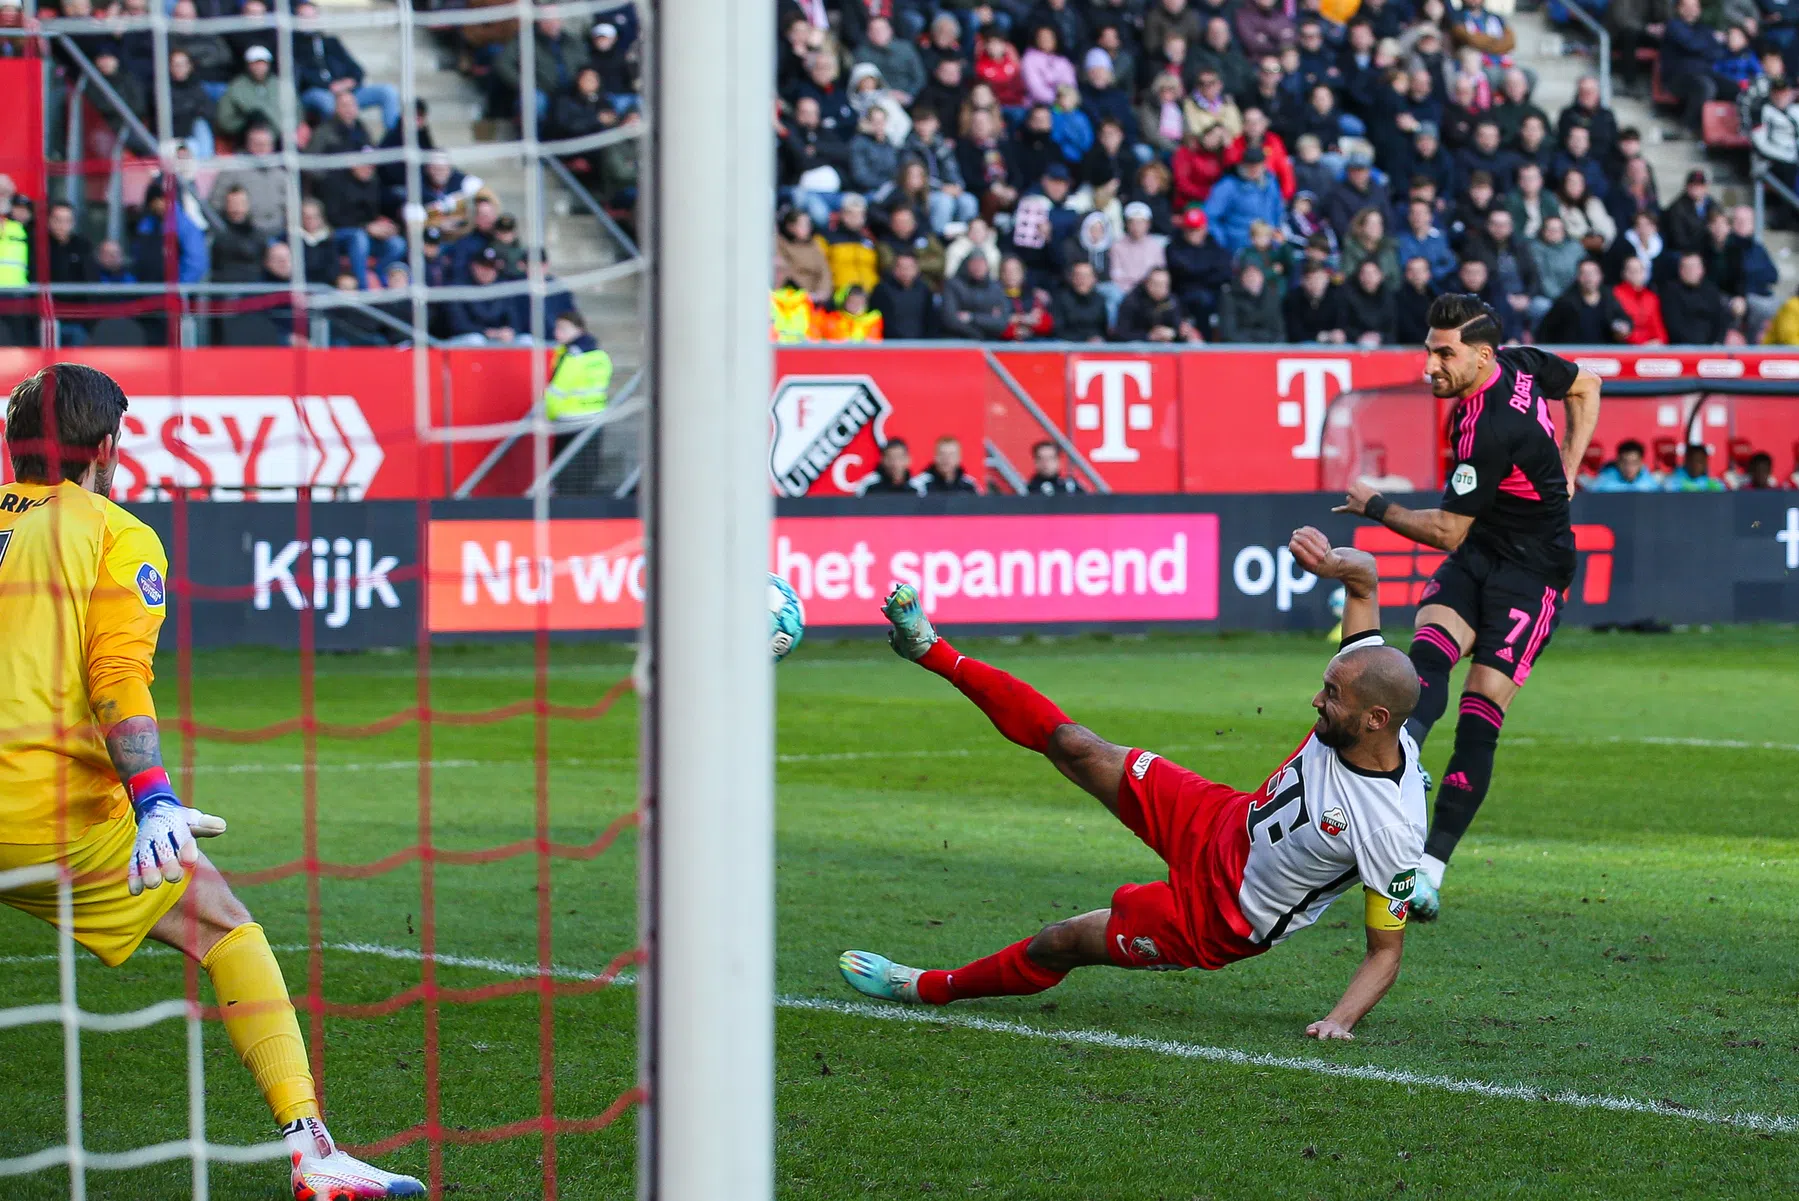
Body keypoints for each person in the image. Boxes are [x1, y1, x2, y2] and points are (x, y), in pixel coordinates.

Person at [0, 365, 424, 1200]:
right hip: (47, 816)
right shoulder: (114, 532)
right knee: (228, 930)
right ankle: (314, 1152)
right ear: (108, 446)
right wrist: (154, 796)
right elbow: (116, 675)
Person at [840, 531, 1425, 1040]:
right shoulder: (1363, 689)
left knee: (1061, 941)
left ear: (1375, 718)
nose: (1316, 701)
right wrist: (1343, 567)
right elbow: (1364, 584)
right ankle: (930, 649)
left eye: (1332, 696)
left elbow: (1385, 951)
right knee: (1076, 746)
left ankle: (926, 987)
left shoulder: (1391, 826)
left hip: (1219, 916)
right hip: (1216, 818)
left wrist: (1340, 1019)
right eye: (1325, 685)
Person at [1333, 294, 1602, 921]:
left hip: (1532, 575)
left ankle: (1428, 870)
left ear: (1482, 356)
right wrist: (1569, 465)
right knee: (1426, 658)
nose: (1431, 364)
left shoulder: (1484, 426)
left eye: (1443, 353)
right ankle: (1401, 777)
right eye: (1429, 350)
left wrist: (1376, 507)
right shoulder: (1525, 363)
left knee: (1481, 714)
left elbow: (1447, 530)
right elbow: (1586, 386)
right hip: (1483, 552)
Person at [544, 311, 612, 493]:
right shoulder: (599, 355)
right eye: (557, 328)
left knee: (566, 479)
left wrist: (548, 416)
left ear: (579, 330)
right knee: (586, 476)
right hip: (594, 420)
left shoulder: (572, 357)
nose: (558, 333)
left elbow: (556, 392)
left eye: (564, 329)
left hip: (569, 422)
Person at [1537, 259, 1633, 344]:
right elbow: (1545, 331)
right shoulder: (1566, 302)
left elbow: (1623, 320)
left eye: (1592, 273)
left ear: (1601, 276)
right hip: (1574, 355)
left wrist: (1623, 328)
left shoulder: (1609, 297)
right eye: (1584, 273)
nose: (1589, 277)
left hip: (1605, 354)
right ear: (1578, 277)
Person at [1659, 251, 1732, 343]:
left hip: (1711, 347)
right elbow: (1674, 325)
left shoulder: (1711, 291)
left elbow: (1720, 320)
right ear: (1680, 270)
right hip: (1682, 347)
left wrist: (1716, 343)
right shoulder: (1671, 292)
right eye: (1687, 268)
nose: (1690, 271)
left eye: (1693, 267)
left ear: (1701, 270)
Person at [1113, 267, 1201, 341]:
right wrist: (1149, 336)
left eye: (1165, 285)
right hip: (1138, 348)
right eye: (1157, 284)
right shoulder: (1132, 301)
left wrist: (1179, 332)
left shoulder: (1172, 301)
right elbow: (1121, 333)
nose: (1161, 289)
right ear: (1147, 283)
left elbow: (1178, 326)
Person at [940, 252, 1010, 339]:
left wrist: (971, 317)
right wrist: (977, 333)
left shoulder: (996, 287)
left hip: (990, 342)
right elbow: (950, 320)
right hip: (959, 341)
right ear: (966, 265)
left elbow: (1001, 323)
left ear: (987, 266)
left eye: (981, 264)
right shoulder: (953, 285)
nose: (978, 267)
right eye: (974, 263)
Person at [870, 251, 936, 339]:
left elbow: (931, 320)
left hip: (920, 344)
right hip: (890, 344)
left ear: (917, 269)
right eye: (901, 267)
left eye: (909, 267)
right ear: (894, 269)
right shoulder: (882, 290)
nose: (905, 272)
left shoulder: (924, 290)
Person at [1216, 260, 1285, 342]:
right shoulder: (1229, 297)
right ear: (1241, 278)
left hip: (1268, 348)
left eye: (1256, 274)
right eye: (1248, 275)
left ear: (1262, 277)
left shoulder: (1272, 297)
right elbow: (1228, 332)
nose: (1252, 279)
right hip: (1238, 349)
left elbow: (1279, 331)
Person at [1285, 259, 1349, 342]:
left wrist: (1338, 334)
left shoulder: (1337, 295)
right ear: (1302, 281)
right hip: (1303, 348)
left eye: (1319, 278)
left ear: (1326, 279)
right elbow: (1293, 331)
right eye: (1310, 279)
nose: (1315, 283)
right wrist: (1319, 336)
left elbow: (1343, 325)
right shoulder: (1293, 299)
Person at [1613, 255, 1669, 343]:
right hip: (1626, 348)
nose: (1635, 273)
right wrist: (1642, 343)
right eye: (1631, 270)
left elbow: (1658, 327)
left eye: (1639, 270)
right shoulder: (1615, 294)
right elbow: (1619, 328)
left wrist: (1659, 341)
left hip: (1651, 348)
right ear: (1623, 273)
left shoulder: (1651, 297)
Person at [1051, 259, 1109, 342]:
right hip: (1067, 344)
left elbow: (1103, 329)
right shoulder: (1060, 299)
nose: (1082, 280)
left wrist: (1097, 338)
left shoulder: (1100, 299)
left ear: (1094, 279)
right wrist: (1085, 340)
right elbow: (1057, 330)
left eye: (1086, 276)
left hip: (1095, 345)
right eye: (1078, 275)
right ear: (1071, 278)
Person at [1587, 438, 1663, 491]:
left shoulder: (1652, 485)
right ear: (1617, 462)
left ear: (1641, 463)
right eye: (1625, 462)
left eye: (1634, 463)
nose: (1629, 467)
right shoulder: (1603, 485)